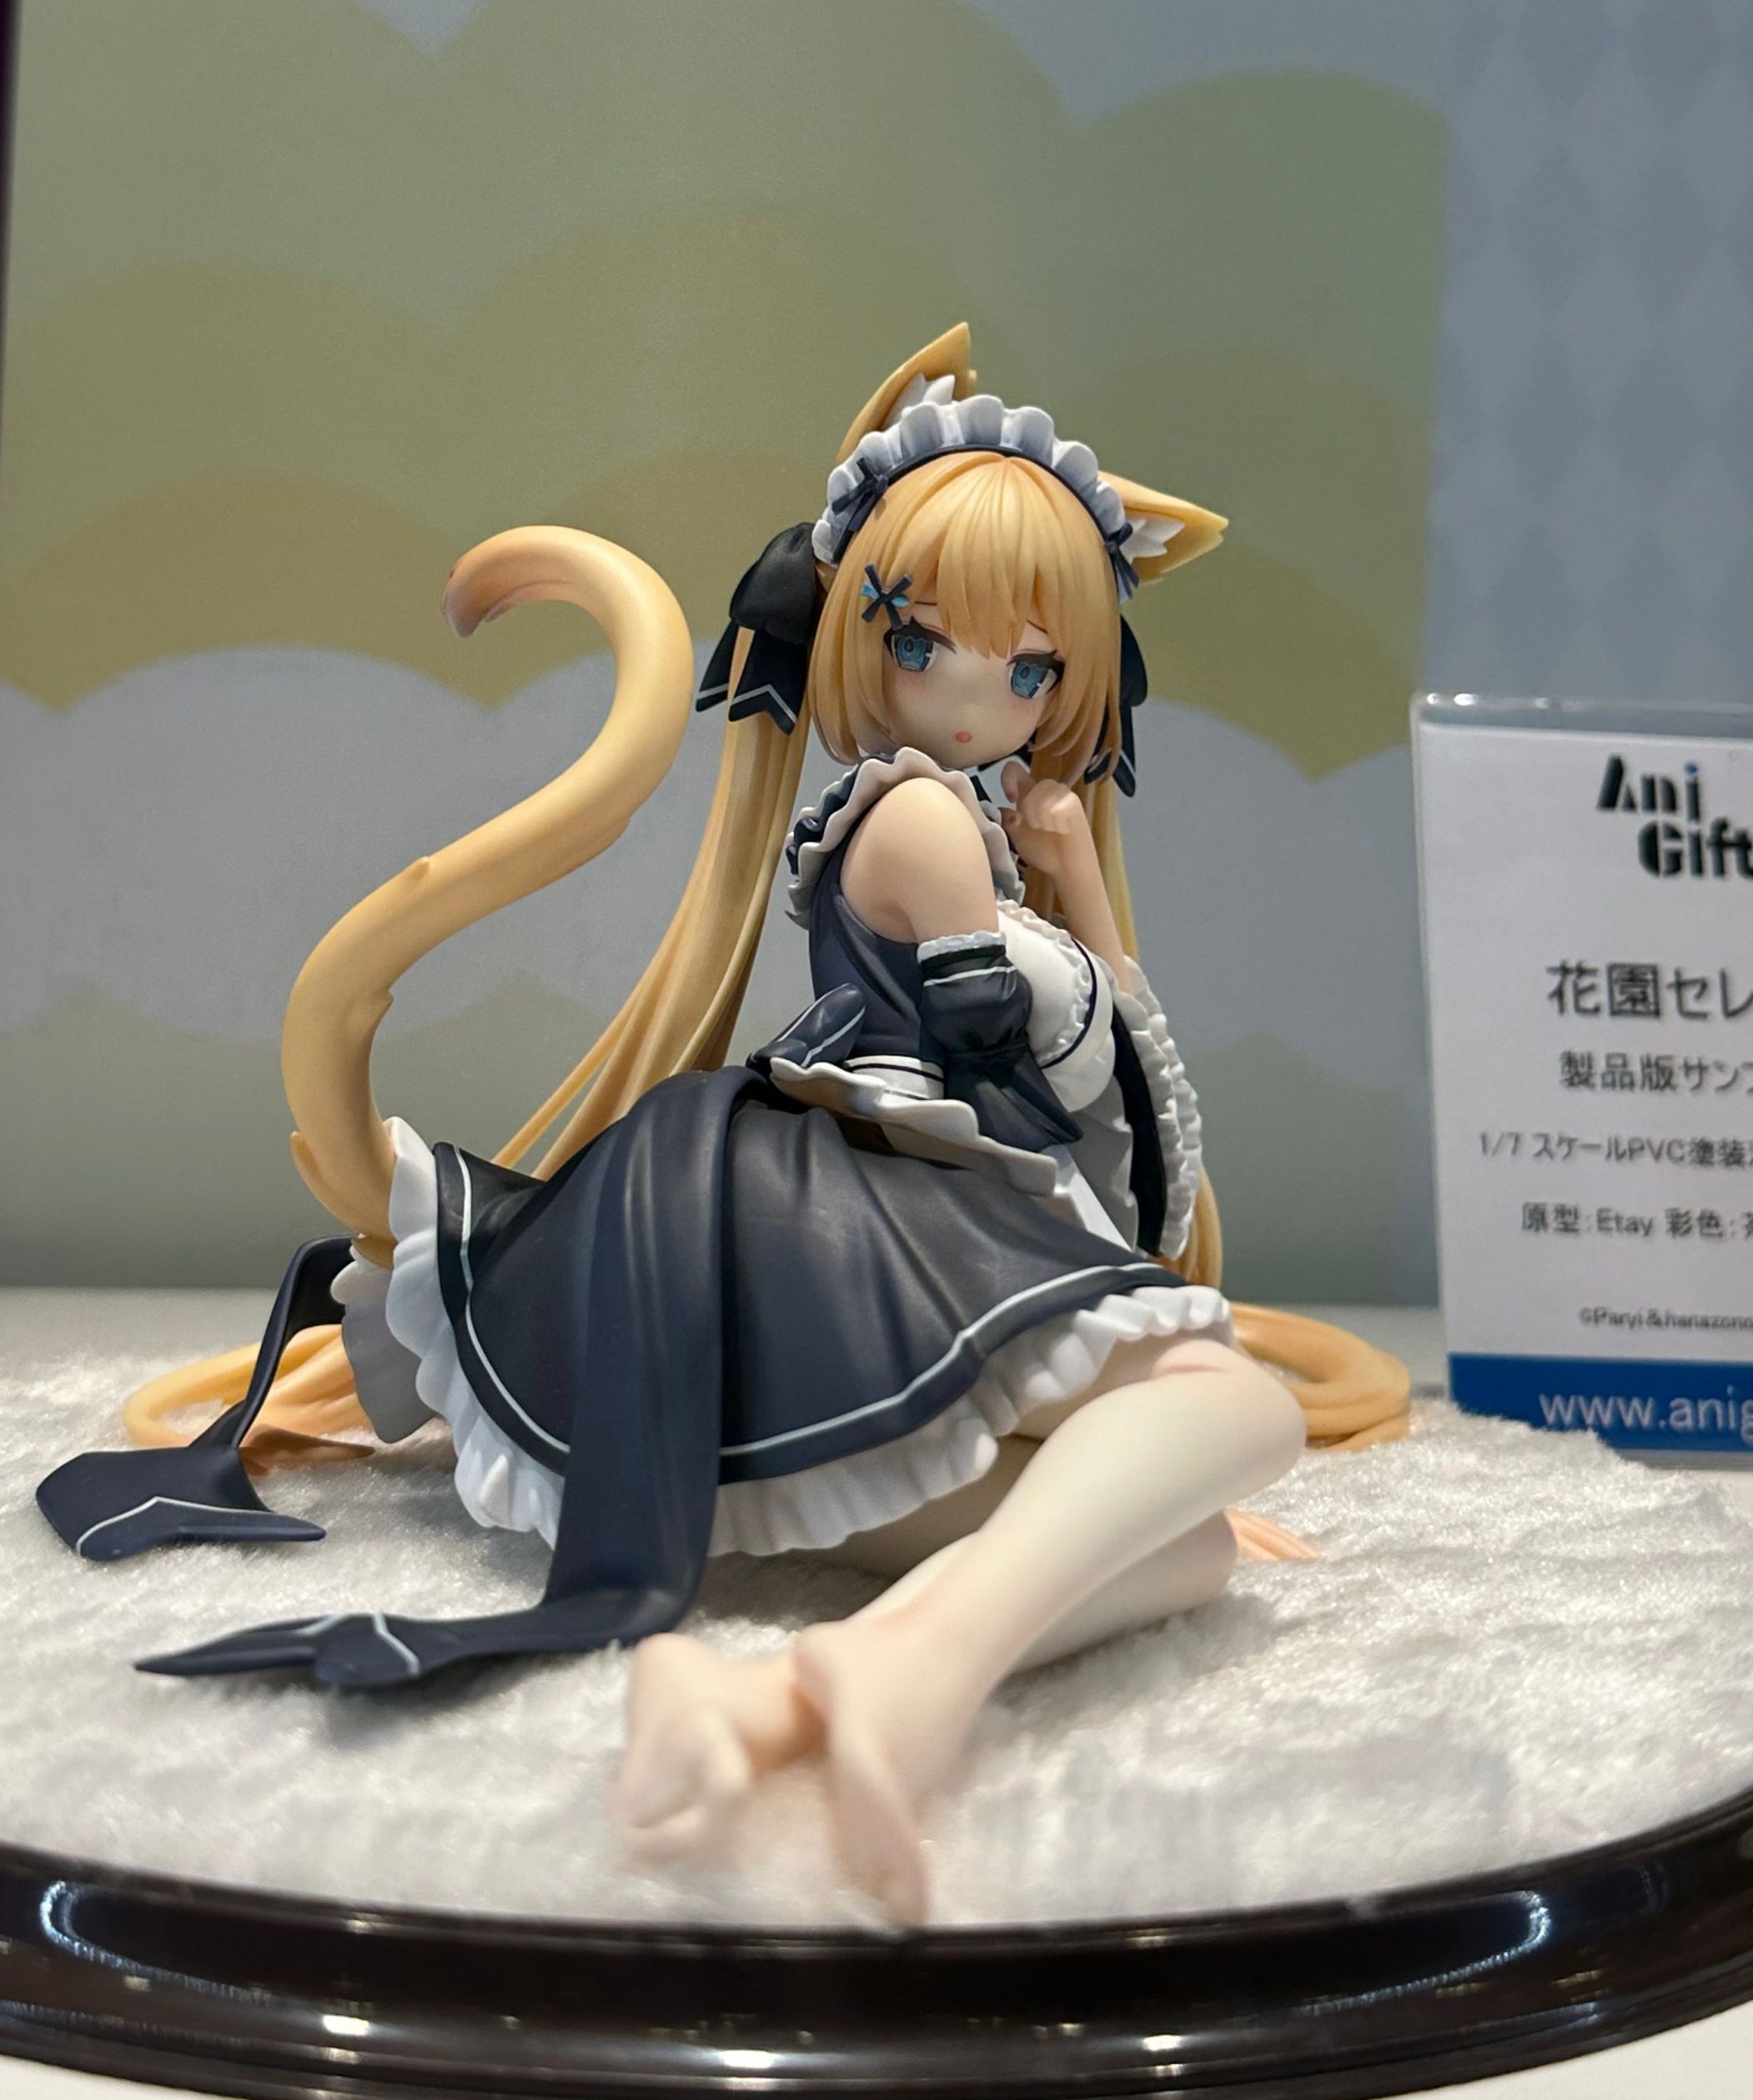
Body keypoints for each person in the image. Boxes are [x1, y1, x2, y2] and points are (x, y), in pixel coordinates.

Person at [39, 326, 1406, 1919]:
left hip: (927, 1209)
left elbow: (1108, 1061)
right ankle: (905, 1684)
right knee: (1234, 1409)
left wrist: (1072, 877)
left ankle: (806, 1694)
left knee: (1186, 1550)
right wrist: (1069, 913)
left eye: (1031, 671)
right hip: (862, 1211)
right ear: (861, 641)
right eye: (928, 646)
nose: (981, 697)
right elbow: (1040, 1063)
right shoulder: (915, 822)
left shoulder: (981, 834)